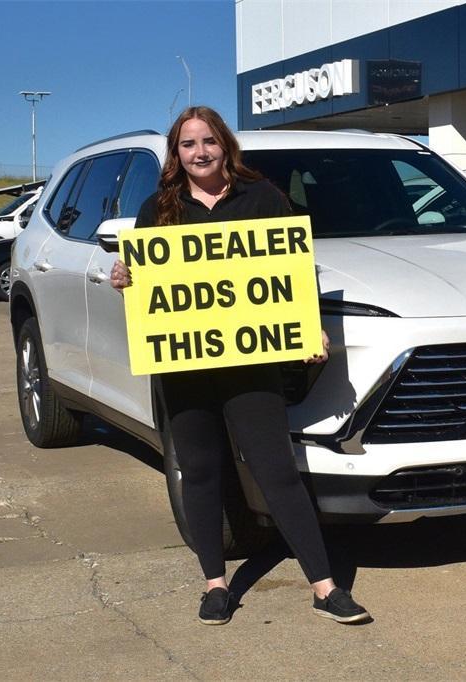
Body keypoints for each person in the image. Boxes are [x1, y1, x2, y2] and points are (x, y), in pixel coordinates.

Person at [110, 106, 369, 626]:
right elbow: (145, 281)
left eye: (208, 141)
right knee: (201, 472)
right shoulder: (159, 209)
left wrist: (308, 323)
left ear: (225, 145)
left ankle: (325, 586)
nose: (200, 152)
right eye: (188, 145)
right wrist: (125, 276)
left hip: (251, 362)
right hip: (185, 366)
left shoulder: (265, 199)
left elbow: (292, 270)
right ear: (176, 153)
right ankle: (214, 585)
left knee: (277, 472)